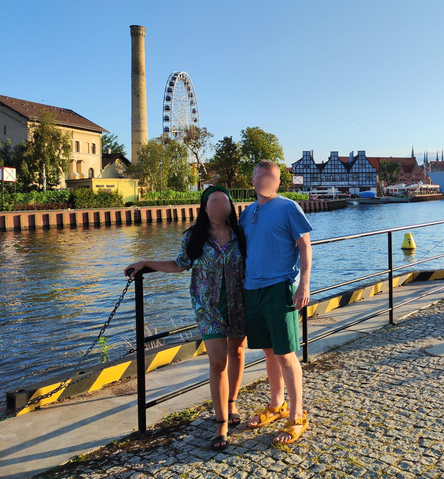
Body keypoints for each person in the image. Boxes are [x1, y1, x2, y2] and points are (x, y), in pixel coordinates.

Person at [125, 185, 247, 451]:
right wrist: (146, 263)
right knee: (217, 362)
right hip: (208, 308)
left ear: (230, 206)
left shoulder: (240, 232)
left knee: (237, 352)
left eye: (223, 202)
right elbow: (180, 264)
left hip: (239, 304)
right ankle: (221, 424)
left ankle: (232, 402)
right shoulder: (195, 236)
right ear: (204, 208)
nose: (218, 207)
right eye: (213, 202)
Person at [241, 160, 313, 445]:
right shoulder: (248, 213)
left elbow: (305, 247)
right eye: (260, 176)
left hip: (279, 287)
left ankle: (297, 415)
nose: (264, 181)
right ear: (253, 179)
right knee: (269, 352)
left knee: (285, 354)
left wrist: (304, 284)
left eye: (270, 177)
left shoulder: (288, 207)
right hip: (252, 289)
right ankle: (276, 405)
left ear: (278, 181)